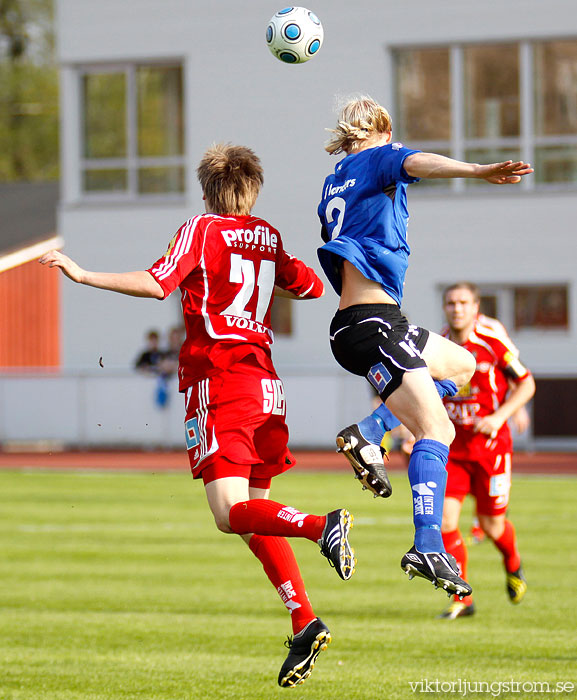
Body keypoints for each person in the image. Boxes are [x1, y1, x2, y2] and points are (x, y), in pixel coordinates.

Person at [40, 143, 356, 688]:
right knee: (255, 513)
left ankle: (321, 525)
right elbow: (304, 285)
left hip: (219, 380)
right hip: (265, 386)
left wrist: (85, 275)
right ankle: (303, 619)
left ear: (208, 188)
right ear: (253, 188)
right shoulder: (270, 235)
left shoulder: (201, 230)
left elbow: (157, 282)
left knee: (228, 514)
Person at [316, 95, 533, 598]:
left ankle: (371, 432)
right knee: (437, 429)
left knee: (465, 364)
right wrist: (478, 170)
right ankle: (427, 543)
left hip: (367, 322)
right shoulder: (381, 156)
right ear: (382, 130)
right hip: (372, 323)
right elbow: (417, 162)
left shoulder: (333, 180)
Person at [438, 282, 535, 619]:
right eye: (450, 302)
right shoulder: (439, 346)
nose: (456, 308)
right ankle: (462, 597)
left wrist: (499, 416)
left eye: (463, 302)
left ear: (475, 307)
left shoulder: (491, 342)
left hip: (491, 451)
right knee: (445, 522)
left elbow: (526, 383)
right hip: (453, 450)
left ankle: (513, 562)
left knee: (492, 527)